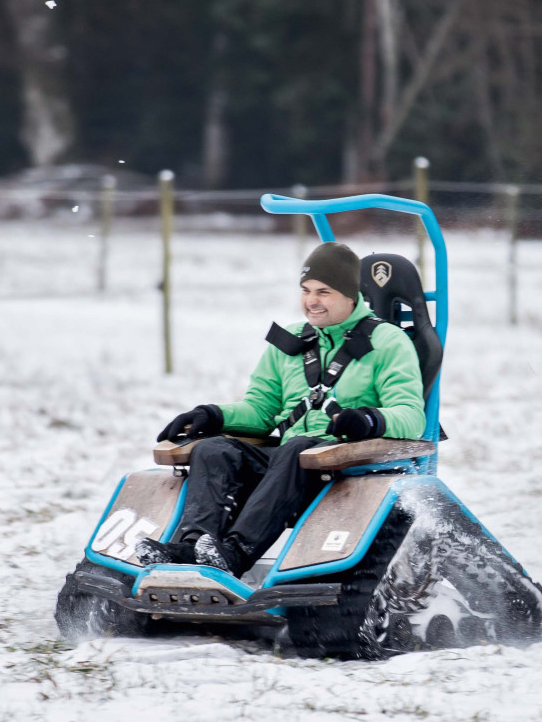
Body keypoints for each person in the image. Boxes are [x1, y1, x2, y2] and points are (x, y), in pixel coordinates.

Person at [136, 242, 425, 576]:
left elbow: (411, 416)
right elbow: (260, 410)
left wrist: (368, 420)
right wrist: (213, 415)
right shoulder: (291, 340)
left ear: (351, 295)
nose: (311, 301)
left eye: (324, 292)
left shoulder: (389, 342)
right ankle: (193, 546)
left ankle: (234, 553)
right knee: (215, 450)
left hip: (344, 464)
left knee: (297, 448)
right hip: (288, 461)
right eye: (305, 290)